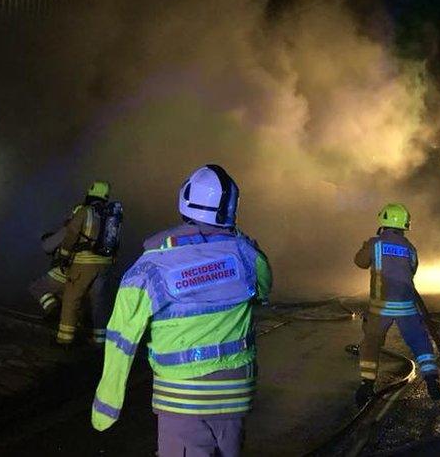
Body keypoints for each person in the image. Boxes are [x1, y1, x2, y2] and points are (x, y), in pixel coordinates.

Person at [91, 165, 272, 457]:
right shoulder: (246, 254)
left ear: (184, 200)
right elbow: (263, 289)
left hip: (182, 398)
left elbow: (121, 338)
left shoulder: (151, 266)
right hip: (237, 395)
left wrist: (107, 404)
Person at [353, 203, 440, 407]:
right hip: (406, 305)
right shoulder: (410, 248)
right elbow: (412, 270)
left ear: (382, 222)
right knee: (419, 341)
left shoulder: (375, 244)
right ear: (405, 225)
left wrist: (364, 246)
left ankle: (367, 385)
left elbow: (359, 262)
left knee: (371, 342)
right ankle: (432, 380)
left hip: (381, 307)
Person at [29, 181, 116, 346]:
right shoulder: (110, 215)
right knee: (99, 305)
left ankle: (64, 340)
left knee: (71, 300)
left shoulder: (84, 212)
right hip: (104, 266)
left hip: (82, 265)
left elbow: (70, 235)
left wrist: (64, 255)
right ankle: (100, 344)